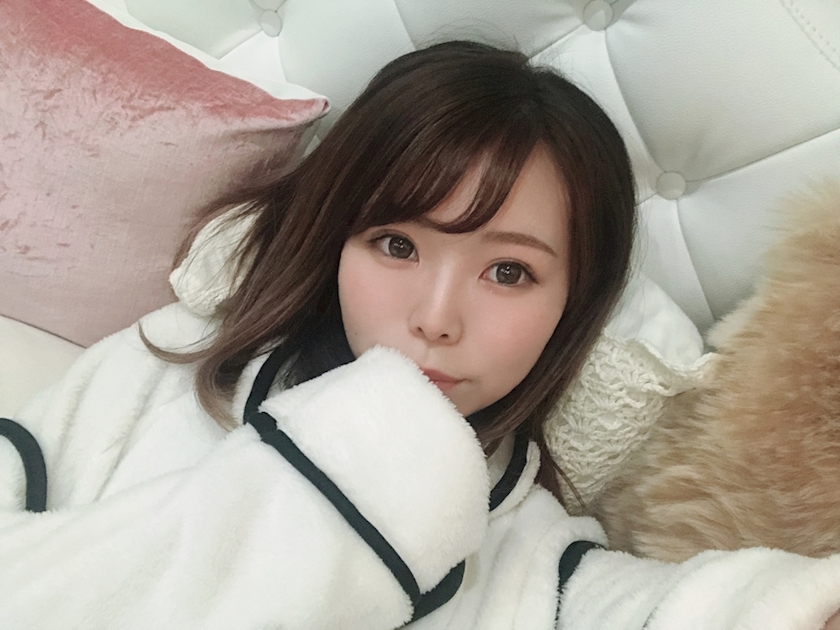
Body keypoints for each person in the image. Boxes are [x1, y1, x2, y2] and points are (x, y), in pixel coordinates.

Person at [1, 41, 839, 630]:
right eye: (396, 246)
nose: (436, 318)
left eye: (508, 271)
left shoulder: (514, 523)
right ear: (336, 242)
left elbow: (627, 605)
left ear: (571, 306)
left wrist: (785, 604)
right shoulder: (187, 360)